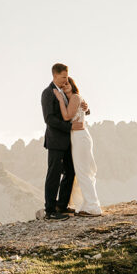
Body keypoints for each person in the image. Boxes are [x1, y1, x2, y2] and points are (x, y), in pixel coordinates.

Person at [41, 63, 85, 220]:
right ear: (54, 75)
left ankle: (62, 205)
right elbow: (49, 119)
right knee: (53, 175)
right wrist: (69, 127)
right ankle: (50, 211)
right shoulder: (48, 93)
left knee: (70, 171)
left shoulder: (64, 92)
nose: (66, 80)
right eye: (63, 77)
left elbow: (73, 110)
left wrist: (85, 108)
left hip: (69, 141)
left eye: (67, 77)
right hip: (55, 141)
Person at [54, 77, 102, 216]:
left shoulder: (75, 97)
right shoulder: (72, 100)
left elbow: (67, 116)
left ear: (73, 84)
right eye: (63, 85)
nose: (65, 86)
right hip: (77, 138)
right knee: (82, 172)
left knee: (83, 172)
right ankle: (87, 205)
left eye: (67, 83)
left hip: (80, 137)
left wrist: (60, 100)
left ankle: (93, 207)